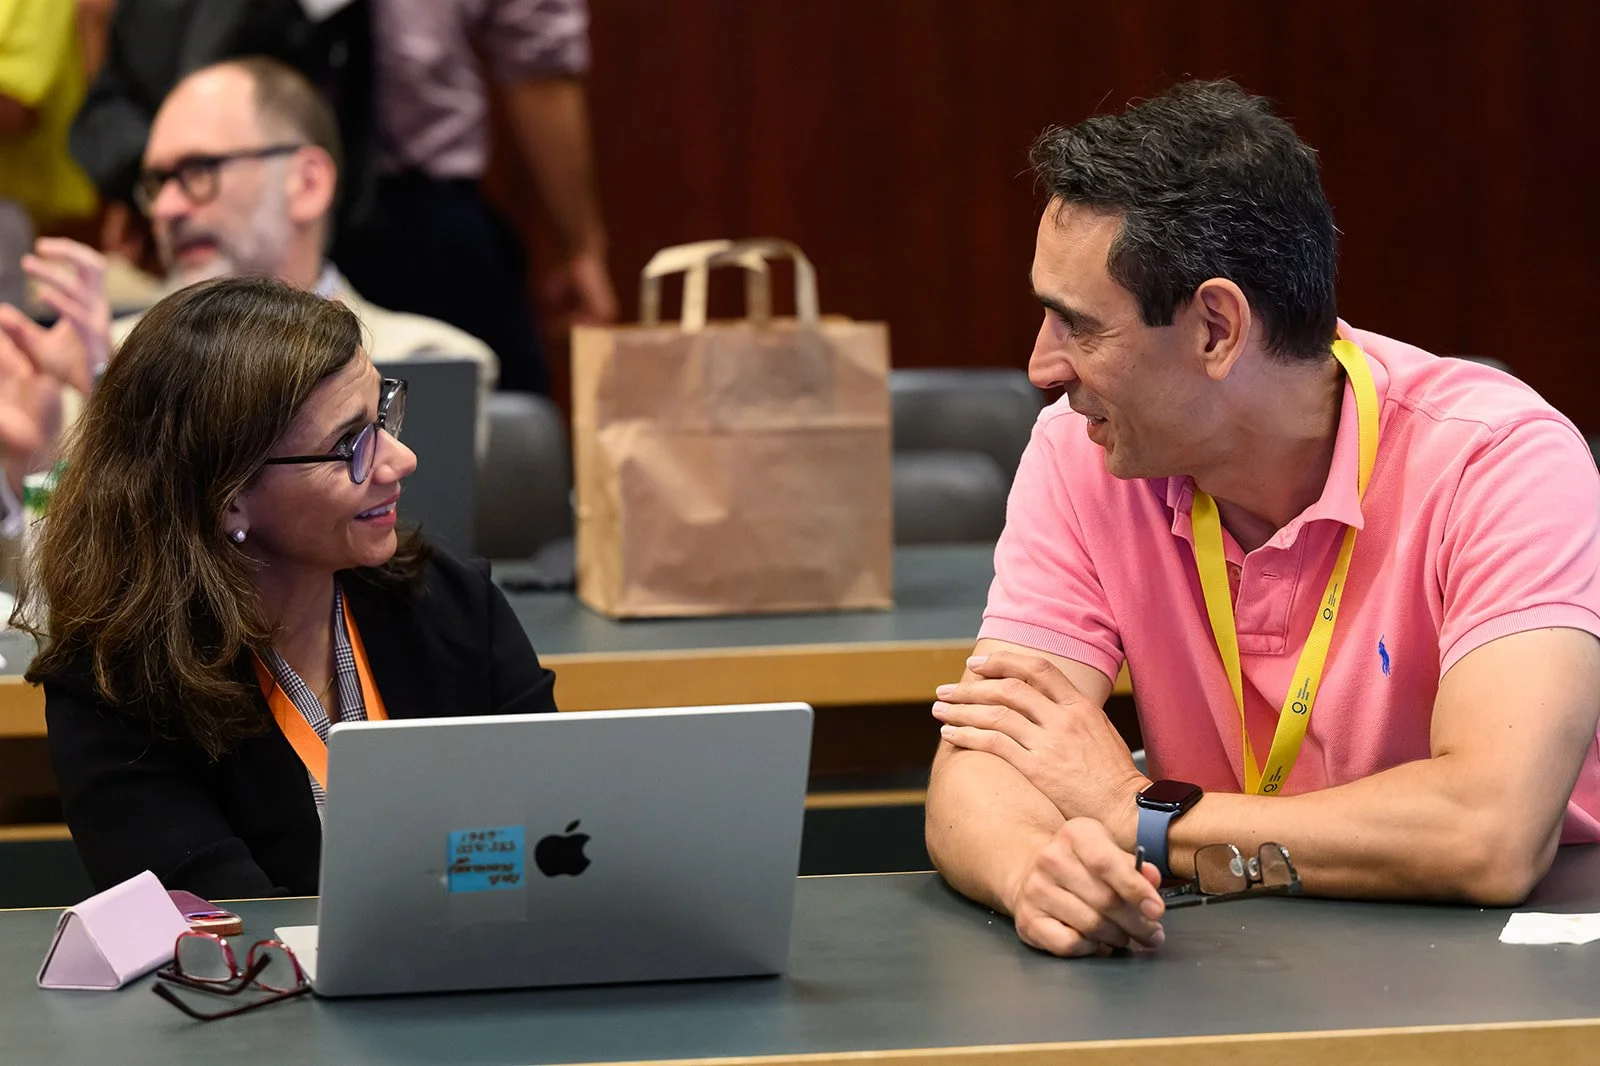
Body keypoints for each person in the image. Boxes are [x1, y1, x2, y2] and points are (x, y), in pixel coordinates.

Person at [924, 80, 1600, 958]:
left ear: (1216, 328)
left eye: (1079, 326)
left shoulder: (1502, 458)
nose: (1041, 366)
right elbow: (982, 763)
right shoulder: (1083, 450)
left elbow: (1488, 836)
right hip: (1227, 951)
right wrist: (1038, 874)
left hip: (1505, 967)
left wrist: (1141, 816)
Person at [17, 276, 558, 898]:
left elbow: (552, 842)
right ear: (229, 500)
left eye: (382, 416)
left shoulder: (452, 607)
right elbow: (230, 933)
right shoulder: (117, 689)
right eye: (350, 444)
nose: (399, 459)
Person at [3, 55, 497, 472]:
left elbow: (389, 563)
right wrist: (32, 466)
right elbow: (40, 584)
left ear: (307, 184)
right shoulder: (97, 362)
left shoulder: (432, 359)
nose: (166, 209)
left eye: (198, 171)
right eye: (157, 183)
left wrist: (127, 410)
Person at [332, 0, 617, 395]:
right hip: (423, 224)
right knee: (484, 426)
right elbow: (538, 62)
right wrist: (580, 245)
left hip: (266, 204)